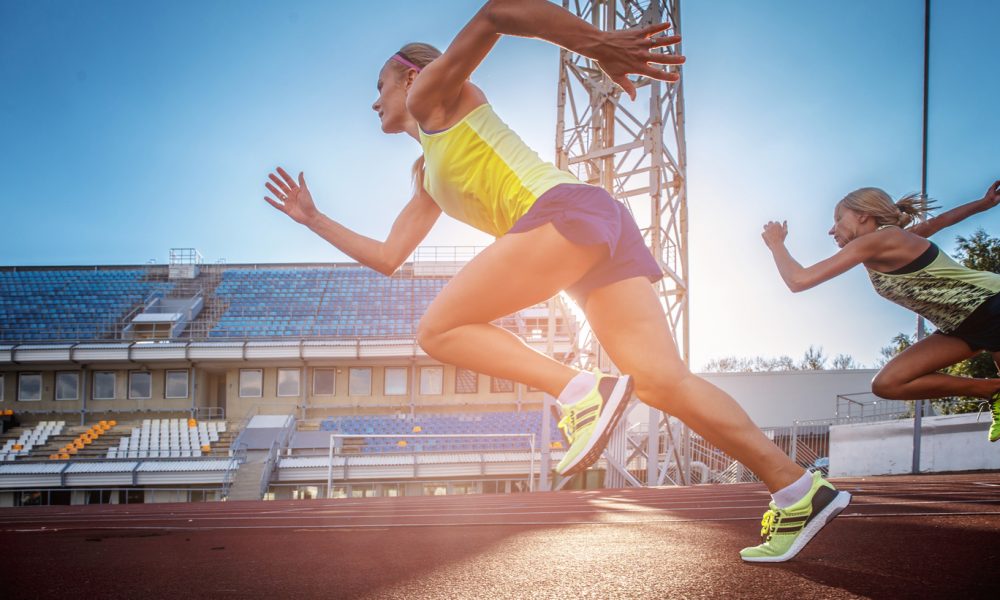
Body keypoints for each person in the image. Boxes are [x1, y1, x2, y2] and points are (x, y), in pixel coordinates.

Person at [262, 0, 848, 562]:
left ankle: (579, 390)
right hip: (595, 227)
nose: (375, 104)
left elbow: (498, 10)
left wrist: (599, 46)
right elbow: (390, 256)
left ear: (410, 76)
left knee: (438, 329)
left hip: (564, 215)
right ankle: (797, 489)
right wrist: (312, 219)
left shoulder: (431, 96)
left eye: (380, 87)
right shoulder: (426, 172)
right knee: (664, 383)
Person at [761, 180, 1000, 442]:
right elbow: (940, 221)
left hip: (991, 305)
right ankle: (992, 390)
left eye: (838, 219)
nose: (832, 230)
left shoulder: (880, 239)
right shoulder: (890, 240)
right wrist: (983, 204)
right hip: (963, 327)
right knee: (888, 384)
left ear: (863, 215)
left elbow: (799, 280)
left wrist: (776, 244)